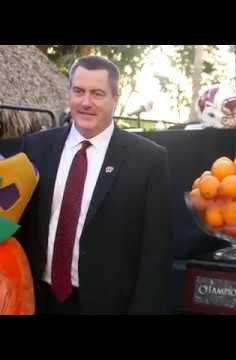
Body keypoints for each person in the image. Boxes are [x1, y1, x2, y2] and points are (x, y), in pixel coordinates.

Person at [20, 55, 173, 314]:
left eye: (98, 93)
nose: (86, 102)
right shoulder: (35, 147)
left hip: (108, 305)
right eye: (78, 91)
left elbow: (155, 254)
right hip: (38, 299)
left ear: (115, 97)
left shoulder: (149, 159)